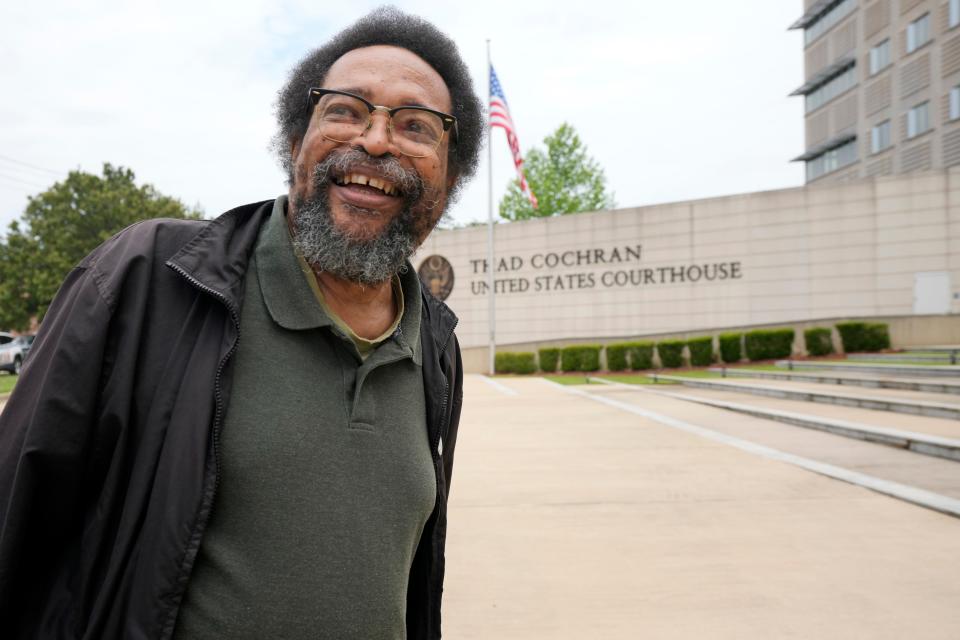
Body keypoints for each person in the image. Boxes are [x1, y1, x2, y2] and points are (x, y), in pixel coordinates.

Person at [0, 7, 483, 639]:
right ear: (294, 143)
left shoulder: (435, 345)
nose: (375, 140)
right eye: (344, 110)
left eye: (416, 125)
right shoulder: (152, 280)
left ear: (447, 178)